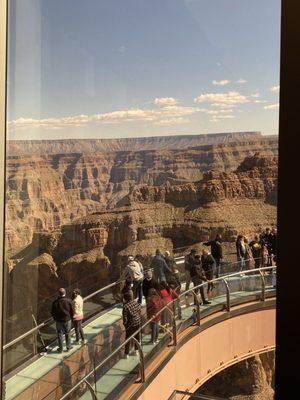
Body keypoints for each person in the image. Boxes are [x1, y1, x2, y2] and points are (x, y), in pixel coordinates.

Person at [51, 288, 74, 352]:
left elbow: (53, 313)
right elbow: (72, 311)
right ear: (65, 293)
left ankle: (60, 348)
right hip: (67, 320)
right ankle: (68, 347)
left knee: (59, 334)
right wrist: (71, 318)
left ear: (58, 294)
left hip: (59, 321)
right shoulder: (69, 301)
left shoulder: (55, 302)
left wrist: (55, 319)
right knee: (68, 333)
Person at [122, 291, 141, 358]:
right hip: (137, 322)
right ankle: (136, 350)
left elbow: (125, 318)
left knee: (128, 338)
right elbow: (139, 311)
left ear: (125, 299)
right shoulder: (135, 303)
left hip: (130, 324)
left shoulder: (125, 306)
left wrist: (125, 325)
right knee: (137, 336)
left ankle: (126, 353)